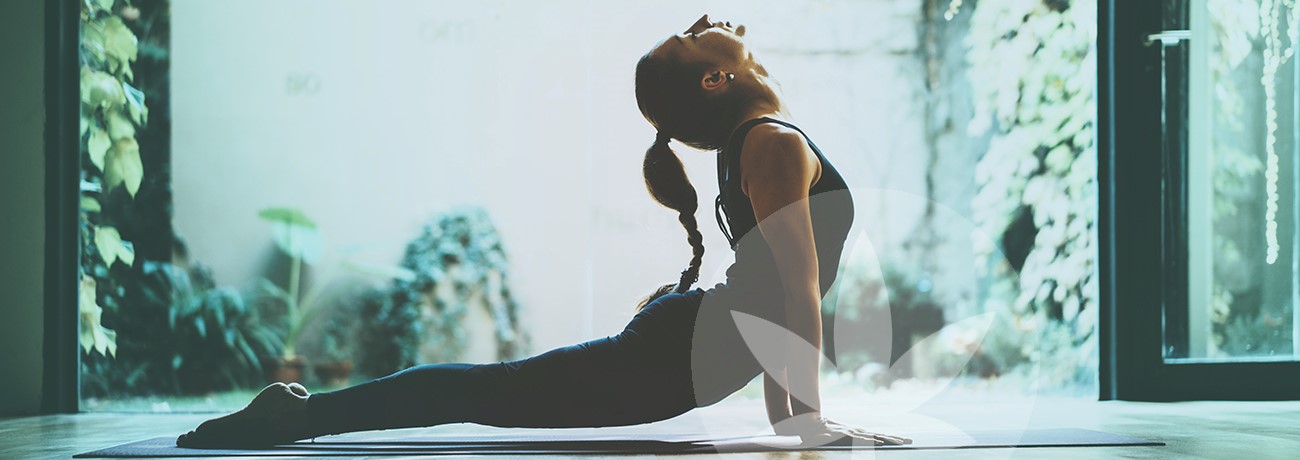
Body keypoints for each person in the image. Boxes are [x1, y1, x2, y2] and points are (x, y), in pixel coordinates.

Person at [176, 13, 911, 449]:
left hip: (688, 351)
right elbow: (798, 294)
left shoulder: (757, 142)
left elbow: (785, 302)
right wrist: (807, 424)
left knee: (493, 391)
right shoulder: (772, 143)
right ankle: (299, 416)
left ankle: (299, 415)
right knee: (487, 392)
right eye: (696, 36)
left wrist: (798, 426)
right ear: (714, 80)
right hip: (678, 355)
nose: (715, 21)